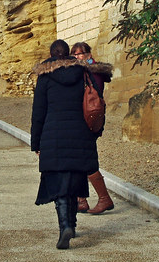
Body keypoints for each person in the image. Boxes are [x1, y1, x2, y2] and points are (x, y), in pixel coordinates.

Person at [31, 39, 113, 249]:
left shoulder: (45, 76)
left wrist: (36, 143)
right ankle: (72, 225)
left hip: (53, 136)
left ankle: (65, 225)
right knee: (75, 180)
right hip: (80, 135)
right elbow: (96, 103)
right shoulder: (83, 72)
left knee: (59, 184)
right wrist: (96, 132)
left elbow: (38, 113)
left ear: (51, 54)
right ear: (68, 54)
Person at [71, 42, 116, 215]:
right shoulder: (91, 72)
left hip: (86, 122)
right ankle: (81, 200)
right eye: (74, 54)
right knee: (79, 158)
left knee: (87, 159)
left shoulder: (91, 73)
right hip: (88, 121)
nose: (77, 57)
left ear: (89, 55)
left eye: (80, 54)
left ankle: (104, 199)